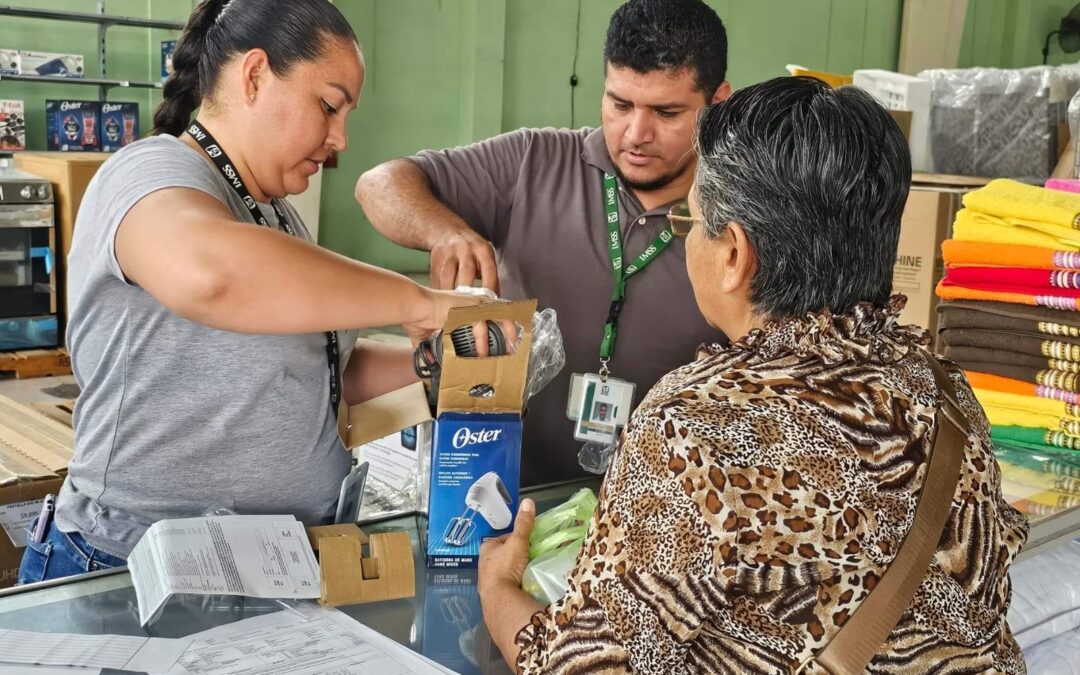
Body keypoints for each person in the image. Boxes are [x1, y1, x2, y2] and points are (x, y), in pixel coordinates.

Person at [478, 77, 1028, 673]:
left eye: (691, 225)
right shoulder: (943, 389)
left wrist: (498, 593)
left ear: (735, 255)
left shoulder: (695, 427)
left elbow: (584, 666)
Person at [18, 0, 482, 584]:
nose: (340, 137)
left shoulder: (277, 216)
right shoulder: (147, 172)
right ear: (255, 75)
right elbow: (210, 271)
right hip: (129, 565)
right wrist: (419, 301)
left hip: (270, 564)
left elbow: (313, 370)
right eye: (329, 105)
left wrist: (437, 362)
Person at [356, 0, 730, 486]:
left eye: (667, 112)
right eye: (620, 104)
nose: (636, 134)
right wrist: (445, 231)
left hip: (658, 510)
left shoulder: (741, 210)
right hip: (505, 490)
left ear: (718, 103)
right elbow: (379, 184)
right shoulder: (535, 160)